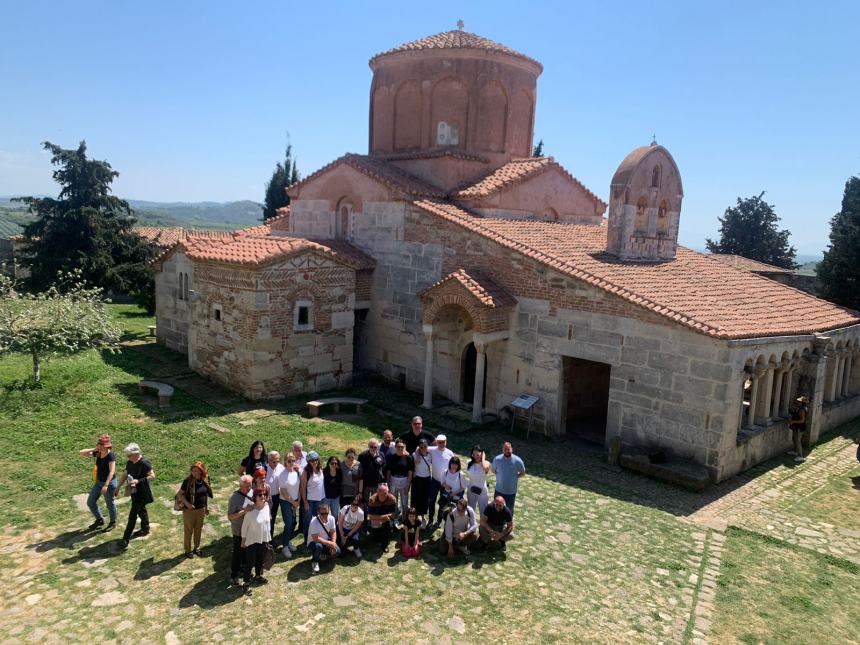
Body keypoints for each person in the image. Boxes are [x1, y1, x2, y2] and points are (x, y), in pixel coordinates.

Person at [117, 443, 155, 549]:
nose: (128, 457)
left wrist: (138, 481)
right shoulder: (130, 462)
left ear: (136, 454)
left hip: (142, 492)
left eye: (129, 455)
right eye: (127, 455)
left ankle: (125, 539)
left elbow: (152, 476)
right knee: (141, 509)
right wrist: (118, 487)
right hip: (134, 491)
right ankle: (145, 528)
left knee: (133, 514)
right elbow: (125, 474)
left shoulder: (144, 462)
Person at [79, 434, 118, 531]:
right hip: (99, 482)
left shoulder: (111, 455)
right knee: (90, 502)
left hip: (109, 483)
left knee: (110, 504)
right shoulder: (98, 453)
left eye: (102, 445)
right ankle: (99, 520)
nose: (101, 446)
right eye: (99, 444)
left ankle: (113, 522)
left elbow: (112, 471)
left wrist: (106, 485)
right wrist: (95, 449)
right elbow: (82, 453)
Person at [178, 461, 213, 557]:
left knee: (198, 530)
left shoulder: (204, 480)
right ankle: (188, 550)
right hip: (189, 511)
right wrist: (187, 504)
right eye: (193, 471)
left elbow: (205, 494)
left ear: (201, 471)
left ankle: (196, 547)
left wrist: (206, 507)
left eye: (196, 471)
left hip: (201, 510)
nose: (194, 473)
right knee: (188, 531)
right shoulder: (188, 481)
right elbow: (179, 494)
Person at [240, 488, 272, 593]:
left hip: (263, 539)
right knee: (250, 562)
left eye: (264, 494)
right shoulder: (250, 511)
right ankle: (246, 583)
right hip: (252, 540)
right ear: (255, 497)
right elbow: (244, 527)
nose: (262, 496)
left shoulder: (266, 507)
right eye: (259, 495)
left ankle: (258, 576)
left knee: (260, 559)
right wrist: (243, 540)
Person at [227, 475, 254, 586]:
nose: (249, 488)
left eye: (251, 485)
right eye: (247, 486)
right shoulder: (234, 498)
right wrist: (244, 511)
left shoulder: (252, 492)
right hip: (239, 530)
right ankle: (234, 576)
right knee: (238, 553)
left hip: (250, 529)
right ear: (241, 485)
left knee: (247, 552)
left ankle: (244, 569)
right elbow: (230, 516)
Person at [277, 453, 301, 557]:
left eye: (293, 460)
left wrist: (298, 501)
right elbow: (283, 492)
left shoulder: (296, 472)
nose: (291, 463)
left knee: (293, 522)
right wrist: (293, 502)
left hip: (295, 501)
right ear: (285, 462)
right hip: (286, 501)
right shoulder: (282, 474)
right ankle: (285, 546)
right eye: (289, 461)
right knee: (289, 523)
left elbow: (299, 487)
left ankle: (287, 541)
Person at [491, 442, 526, 514]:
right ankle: (496, 523)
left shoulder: (518, 461)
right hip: (499, 490)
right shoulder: (497, 459)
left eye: (508, 449)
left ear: (511, 449)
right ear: (502, 450)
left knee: (509, 510)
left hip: (511, 492)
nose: (507, 451)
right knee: (496, 509)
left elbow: (523, 473)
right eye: (505, 449)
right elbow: (493, 470)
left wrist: (516, 477)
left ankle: (509, 524)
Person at [428, 434, 453, 528]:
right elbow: (420, 447)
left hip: (445, 483)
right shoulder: (433, 450)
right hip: (434, 480)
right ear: (436, 442)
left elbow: (454, 467)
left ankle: (439, 520)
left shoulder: (450, 453)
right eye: (439, 442)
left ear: (446, 442)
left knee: (443, 502)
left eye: (443, 442)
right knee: (431, 501)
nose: (441, 444)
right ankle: (430, 520)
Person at [308, 503, 339, 574]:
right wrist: (330, 543)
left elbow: (333, 532)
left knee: (338, 551)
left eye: (326, 513)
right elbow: (315, 538)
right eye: (322, 514)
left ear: (329, 510)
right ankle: (315, 562)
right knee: (318, 547)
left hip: (325, 541)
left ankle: (323, 555)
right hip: (314, 542)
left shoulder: (332, 518)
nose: (325, 515)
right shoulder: (314, 522)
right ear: (318, 512)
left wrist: (333, 543)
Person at [367, 483, 399, 552]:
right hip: (377, 519)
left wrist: (383, 519)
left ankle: (385, 545)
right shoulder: (372, 500)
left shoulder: (392, 499)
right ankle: (376, 536)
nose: (383, 495)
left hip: (386, 520)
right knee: (376, 530)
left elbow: (392, 515)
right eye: (381, 493)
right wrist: (382, 517)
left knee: (386, 526)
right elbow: (369, 516)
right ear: (377, 492)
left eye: (385, 493)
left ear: (388, 492)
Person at [300, 451, 325, 539]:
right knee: (307, 521)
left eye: (316, 460)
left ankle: (315, 538)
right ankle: (307, 540)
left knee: (317, 520)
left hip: (320, 499)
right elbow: (302, 488)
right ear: (308, 462)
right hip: (310, 501)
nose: (315, 462)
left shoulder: (320, 469)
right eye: (312, 461)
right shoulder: (306, 472)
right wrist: (305, 502)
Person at [386, 438, 414, 515]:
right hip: (393, 480)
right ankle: (394, 515)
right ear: (395, 447)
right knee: (393, 500)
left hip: (404, 480)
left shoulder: (408, 458)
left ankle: (404, 517)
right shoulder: (392, 457)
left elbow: (410, 472)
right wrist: (388, 483)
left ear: (404, 447)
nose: (400, 448)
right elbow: (389, 471)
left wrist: (408, 485)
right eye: (398, 446)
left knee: (404, 501)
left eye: (402, 447)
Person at [411, 439, 433, 525]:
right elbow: (417, 461)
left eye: (425, 446)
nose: (423, 448)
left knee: (425, 498)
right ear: (419, 447)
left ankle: (423, 517)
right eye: (421, 447)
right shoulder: (414, 454)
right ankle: (415, 516)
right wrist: (417, 452)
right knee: (416, 498)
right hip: (417, 479)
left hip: (427, 479)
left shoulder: (430, 454)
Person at [438, 456, 466, 524]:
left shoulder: (460, 474)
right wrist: (446, 486)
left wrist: (455, 493)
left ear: (458, 465)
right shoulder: (446, 472)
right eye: (452, 463)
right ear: (450, 463)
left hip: (456, 496)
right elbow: (442, 483)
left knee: (456, 510)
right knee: (441, 508)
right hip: (446, 495)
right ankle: (439, 521)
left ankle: (454, 523)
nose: (454, 465)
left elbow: (463, 487)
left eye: (456, 464)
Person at [337, 495, 364, 559]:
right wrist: (342, 535)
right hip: (342, 529)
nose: (354, 506)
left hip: (351, 531)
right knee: (341, 553)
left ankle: (356, 549)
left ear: (359, 504)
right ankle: (343, 547)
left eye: (357, 504)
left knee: (355, 540)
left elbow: (356, 527)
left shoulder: (361, 513)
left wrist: (347, 536)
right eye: (353, 503)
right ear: (351, 502)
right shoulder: (345, 508)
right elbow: (340, 523)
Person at [265, 451, 284, 539]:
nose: (276, 463)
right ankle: (266, 539)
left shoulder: (281, 467)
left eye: (277, 461)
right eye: (273, 461)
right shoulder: (264, 468)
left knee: (273, 517)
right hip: (267, 497)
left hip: (278, 496)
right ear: (268, 460)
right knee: (267, 518)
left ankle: (270, 538)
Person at [466, 446, 490, 515]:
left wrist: (483, 459)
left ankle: (482, 525)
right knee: (470, 509)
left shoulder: (486, 463)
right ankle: (471, 524)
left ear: (482, 454)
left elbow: (485, 468)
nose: (476, 457)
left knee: (483, 510)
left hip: (482, 490)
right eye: (474, 455)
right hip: (471, 489)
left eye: (478, 455)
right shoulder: (469, 462)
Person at [788, 396, 809, 463]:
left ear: (802, 403)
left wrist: (793, 421)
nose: (798, 402)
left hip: (800, 427)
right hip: (796, 426)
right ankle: (795, 451)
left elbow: (802, 420)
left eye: (799, 402)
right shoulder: (800, 408)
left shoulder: (802, 410)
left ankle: (800, 456)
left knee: (798, 440)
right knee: (794, 438)